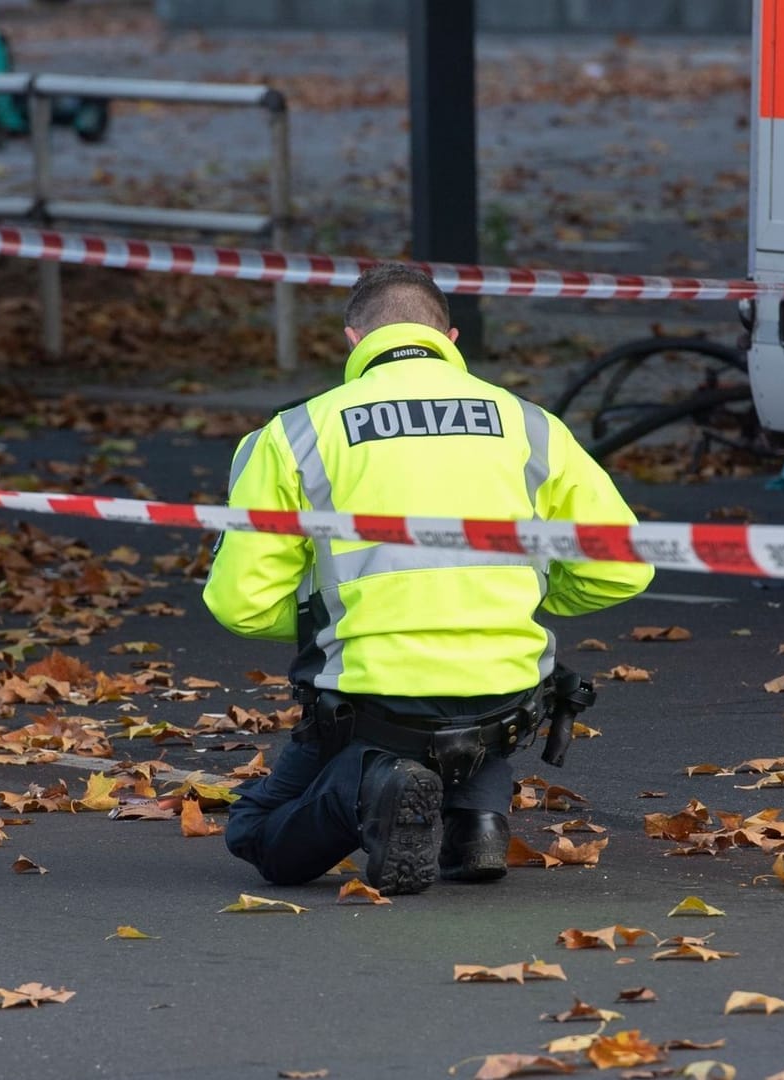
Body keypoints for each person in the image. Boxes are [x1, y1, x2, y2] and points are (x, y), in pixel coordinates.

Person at [203, 264, 654, 895]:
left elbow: (240, 605)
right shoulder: (530, 424)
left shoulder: (295, 434)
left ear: (352, 339)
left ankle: (371, 787)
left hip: (372, 705)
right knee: (486, 708)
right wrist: (513, 595)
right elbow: (621, 567)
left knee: (254, 829)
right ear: (452, 337)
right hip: (502, 700)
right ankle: (477, 822)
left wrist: (335, 611)